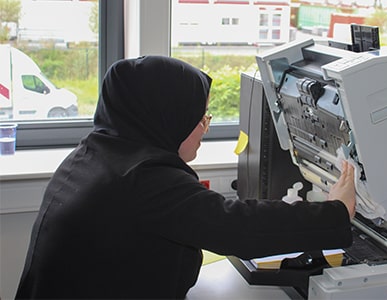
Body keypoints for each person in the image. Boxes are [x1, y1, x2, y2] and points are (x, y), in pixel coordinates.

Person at [15, 56, 356, 299]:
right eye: (200, 116)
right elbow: (235, 227)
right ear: (168, 117)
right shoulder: (141, 178)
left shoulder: (96, 153)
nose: (204, 127)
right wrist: (336, 212)